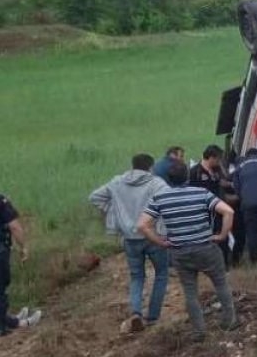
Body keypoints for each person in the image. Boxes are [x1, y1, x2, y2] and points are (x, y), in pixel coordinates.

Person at [138, 161, 237, 341]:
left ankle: (199, 331)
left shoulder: (160, 197)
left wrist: (161, 242)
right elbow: (228, 211)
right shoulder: (201, 193)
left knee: (190, 292)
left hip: (180, 252)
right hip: (206, 247)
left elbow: (142, 225)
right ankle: (229, 321)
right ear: (188, 177)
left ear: (168, 179)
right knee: (221, 283)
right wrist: (221, 235)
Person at [89, 154, 170, 332]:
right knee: (162, 274)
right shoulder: (157, 183)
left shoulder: (117, 182)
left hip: (129, 238)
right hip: (153, 235)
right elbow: (168, 202)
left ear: (133, 166)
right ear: (150, 167)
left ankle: (136, 313)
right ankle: (153, 317)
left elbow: (95, 197)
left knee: (136, 276)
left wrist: (113, 213)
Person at [0, 192, 41, 337]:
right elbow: (14, 227)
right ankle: (7, 324)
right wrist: (23, 247)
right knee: (0, 288)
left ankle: (8, 320)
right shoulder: (1, 201)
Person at [189, 144, 237, 266]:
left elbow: (221, 185)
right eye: (218, 159)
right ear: (211, 157)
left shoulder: (216, 172)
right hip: (203, 212)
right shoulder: (195, 172)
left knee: (223, 237)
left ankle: (224, 264)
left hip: (219, 209)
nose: (220, 161)